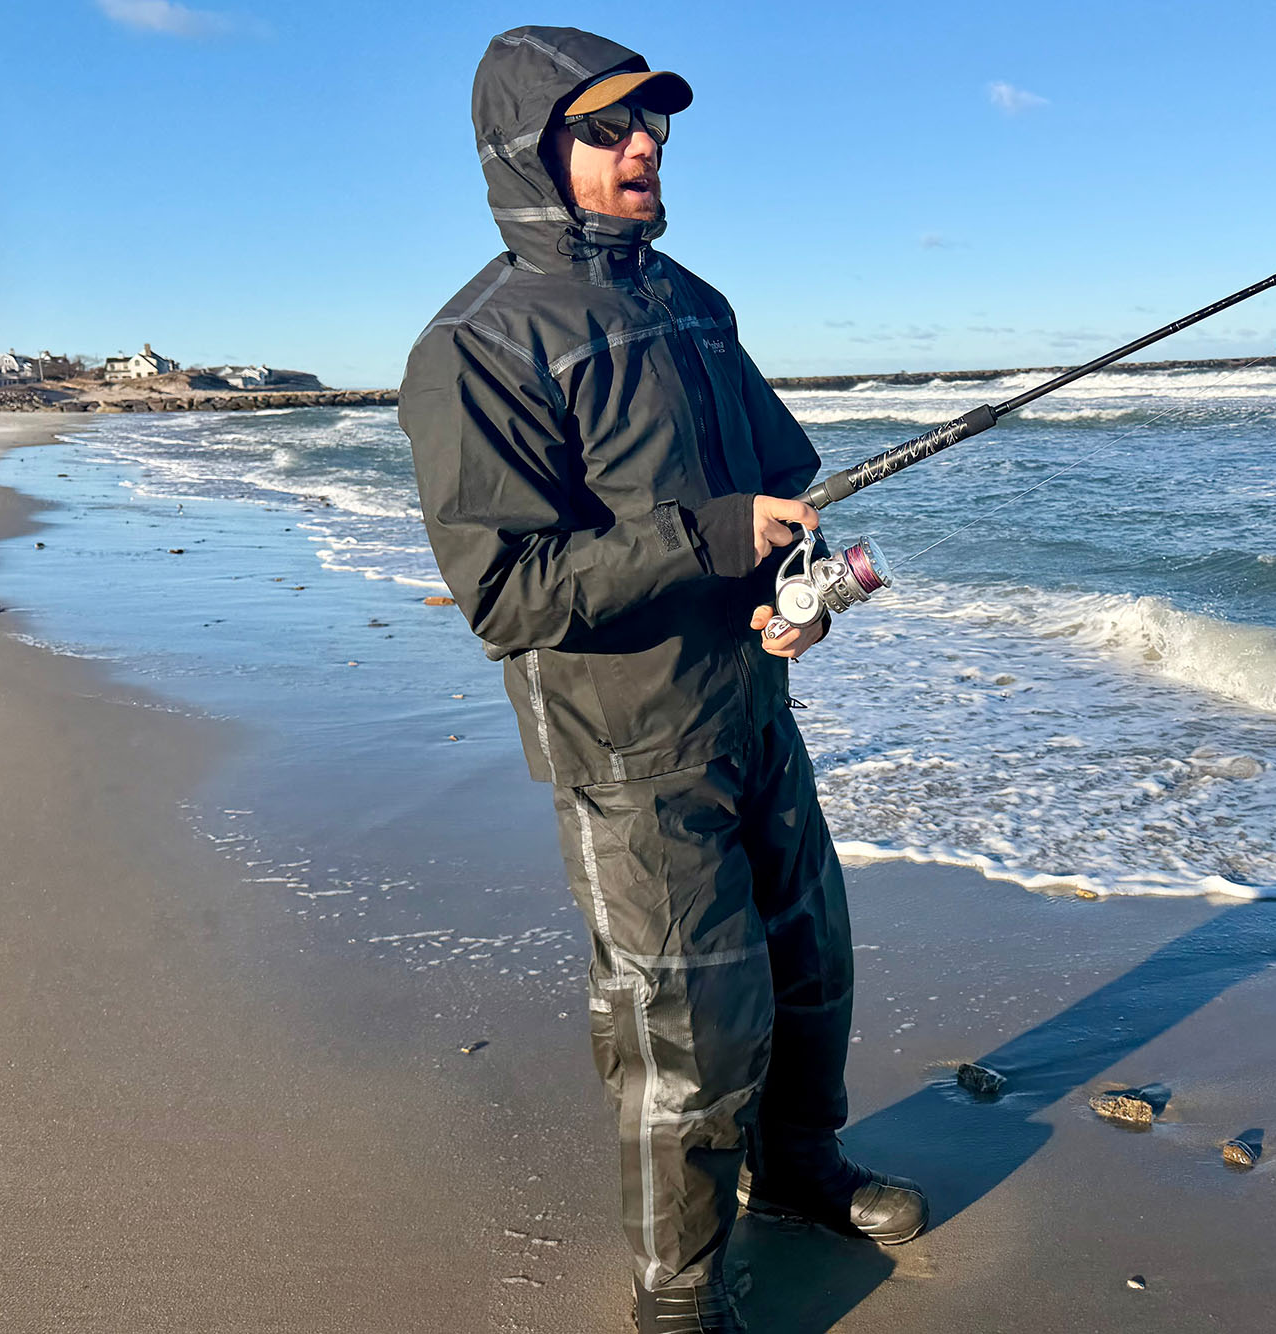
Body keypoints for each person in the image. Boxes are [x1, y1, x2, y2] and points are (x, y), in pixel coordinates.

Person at [397, 26, 927, 1333]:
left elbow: (778, 487)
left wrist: (793, 597)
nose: (647, 146)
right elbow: (507, 591)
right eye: (609, 129)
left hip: (753, 707)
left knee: (812, 965)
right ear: (534, 149)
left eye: (655, 125)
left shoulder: (695, 301)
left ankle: (799, 1170)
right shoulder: (473, 345)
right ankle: (678, 1297)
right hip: (627, 744)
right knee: (684, 1024)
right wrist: (707, 537)